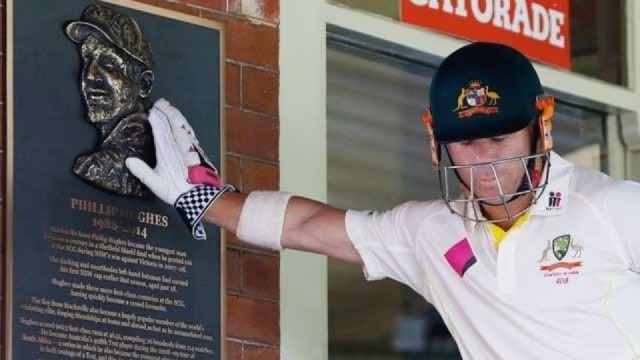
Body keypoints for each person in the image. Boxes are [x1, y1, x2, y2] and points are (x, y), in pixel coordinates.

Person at [125, 42, 640, 359]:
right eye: (464, 142)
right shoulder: (432, 232)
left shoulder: (610, 208)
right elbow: (310, 226)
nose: (482, 160)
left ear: (540, 127)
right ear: (435, 138)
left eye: (501, 139)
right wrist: (201, 196)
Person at [66, 4, 156, 197]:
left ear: (144, 84)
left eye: (108, 64)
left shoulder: (99, 168)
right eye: (86, 60)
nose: (89, 76)